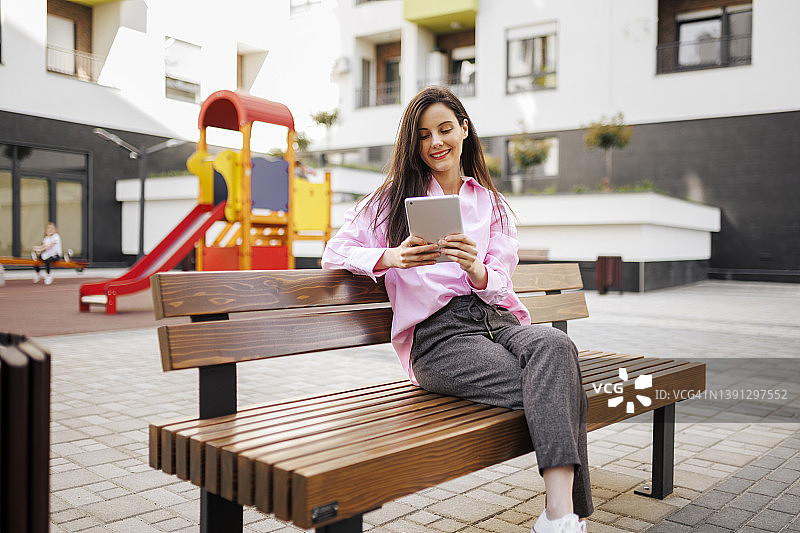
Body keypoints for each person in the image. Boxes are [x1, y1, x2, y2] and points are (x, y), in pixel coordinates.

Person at [321, 86, 592, 532]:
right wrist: (392, 256)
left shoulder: (490, 203)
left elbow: (501, 282)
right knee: (558, 384)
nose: (435, 143)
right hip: (440, 337)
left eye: (445, 129)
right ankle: (564, 518)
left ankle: (557, 513)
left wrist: (476, 268)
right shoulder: (392, 199)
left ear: (464, 129)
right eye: (423, 135)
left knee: (556, 346)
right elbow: (334, 252)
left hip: (497, 320)